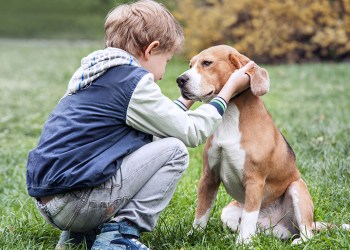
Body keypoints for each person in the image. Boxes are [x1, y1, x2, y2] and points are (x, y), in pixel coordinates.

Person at [26, 0, 255, 249]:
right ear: (150, 50)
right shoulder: (132, 82)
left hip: (50, 202)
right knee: (175, 151)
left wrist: (186, 101)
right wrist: (227, 91)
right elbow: (191, 132)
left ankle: (75, 238)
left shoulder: (95, 75)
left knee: (136, 147)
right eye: (166, 61)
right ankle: (119, 236)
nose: (164, 73)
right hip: (78, 206)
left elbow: (157, 126)